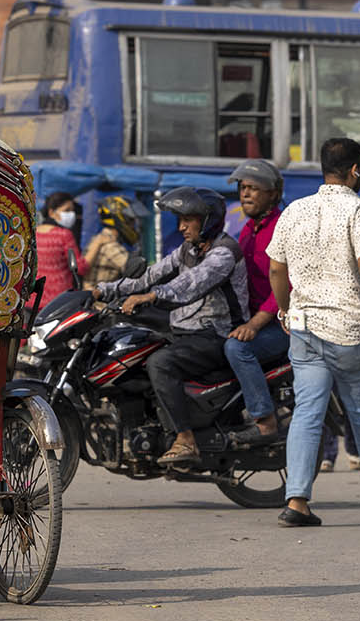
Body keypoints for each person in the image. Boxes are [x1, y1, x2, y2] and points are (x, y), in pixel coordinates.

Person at [267, 137, 360, 528]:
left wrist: (285, 309)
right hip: (350, 329)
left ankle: (296, 500)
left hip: (304, 329)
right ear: (354, 170)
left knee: (306, 414)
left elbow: (276, 270)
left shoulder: (294, 211)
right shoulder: (359, 210)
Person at [95, 187, 249, 465]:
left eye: (187, 220)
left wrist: (151, 297)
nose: (180, 227)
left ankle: (185, 439)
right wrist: (101, 291)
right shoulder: (187, 249)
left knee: (161, 363)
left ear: (207, 219)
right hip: (185, 332)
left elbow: (191, 284)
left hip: (216, 335)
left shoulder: (224, 253)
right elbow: (149, 276)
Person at [223, 159, 291, 445]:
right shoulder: (248, 230)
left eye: (253, 188)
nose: (245, 194)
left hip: (283, 325)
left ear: (273, 194)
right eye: (242, 188)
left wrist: (254, 324)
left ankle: (264, 420)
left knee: (237, 348)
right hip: (255, 320)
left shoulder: (283, 227)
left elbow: (286, 286)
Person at [34, 192, 87, 298]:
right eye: (67, 210)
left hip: (34, 298)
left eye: (73, 211)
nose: (72, 214)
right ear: (52, 212)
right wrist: (97, 244)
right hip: (58, 300)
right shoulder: (64, 235)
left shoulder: (35, 233)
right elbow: (81, 268)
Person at [83, 194, 141, 288]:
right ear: (120, 218)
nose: (133, 225)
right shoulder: (111, 246)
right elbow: (136, 271)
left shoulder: (97, 239)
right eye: (131, 220)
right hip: (101, 301)